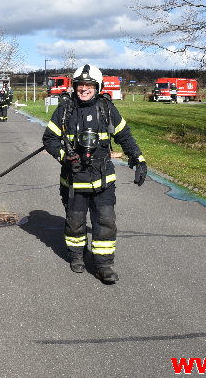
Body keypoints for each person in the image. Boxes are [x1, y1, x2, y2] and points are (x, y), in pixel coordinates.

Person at [42, 64, 148, 284]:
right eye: (81, 85)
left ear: (97, 87)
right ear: (75, 86)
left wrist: (138, 159)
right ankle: (77, 256)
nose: (84, 89)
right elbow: (49, 139)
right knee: (75, 222)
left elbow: (124, 136)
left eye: (89, 85)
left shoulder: (107, 109)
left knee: (105, 221)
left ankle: (103, 265)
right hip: (73, 178)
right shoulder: (65, 109)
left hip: (103, 179)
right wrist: (64, 156)